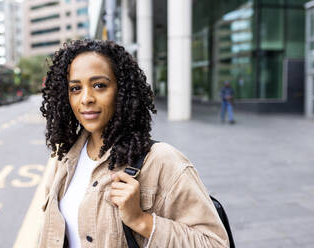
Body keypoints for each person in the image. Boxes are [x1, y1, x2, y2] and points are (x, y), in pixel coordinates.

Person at [39, 39, 229, 248]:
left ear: (122, 90)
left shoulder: (162, 161)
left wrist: (141, 220)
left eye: (99, 85)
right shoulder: (64, 160)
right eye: (75, 88)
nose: (86, 98)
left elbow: (215, 244)